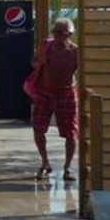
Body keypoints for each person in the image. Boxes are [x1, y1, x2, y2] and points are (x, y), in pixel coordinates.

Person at [30, 18, 80, 180]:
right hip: (44, 92)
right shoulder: (46, 45)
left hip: (66, 92)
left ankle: (68, 167)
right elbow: (34, 62)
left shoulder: (75, 52)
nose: (57, 36)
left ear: (70, 34)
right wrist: (39, 63)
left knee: (71, 132)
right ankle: (45, 162)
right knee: (38, 128)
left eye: (61, 33)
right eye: (55, 32)